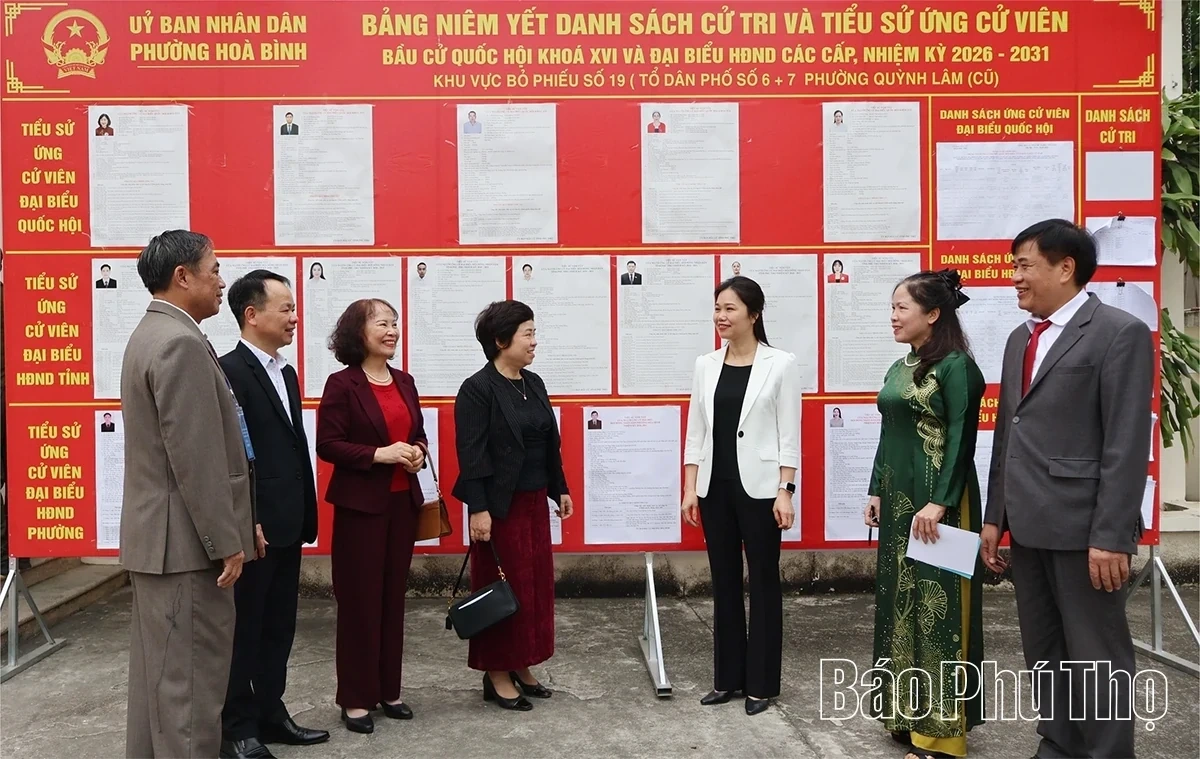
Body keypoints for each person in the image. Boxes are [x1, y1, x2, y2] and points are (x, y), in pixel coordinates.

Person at [981, 219, 1152, 759]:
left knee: (1097, 656)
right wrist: (994, 517)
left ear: (1065, 267)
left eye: (1024, 265)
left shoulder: (1117, 333)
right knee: (1045, 650)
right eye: (1014, 266)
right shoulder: (1019, 339)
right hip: (1028, 526)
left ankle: (1106, 752)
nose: (1015, 278)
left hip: (1085, 531)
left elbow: (1126, 445)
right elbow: (1009, 431)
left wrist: (1110, 536)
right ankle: (1059, 744)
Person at [119, 230, 260, 758]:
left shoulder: (153, 332)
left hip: (162, 544)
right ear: (183, 276)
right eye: (214, 269)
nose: (222, 281)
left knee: (160, 689)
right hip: (186, 550)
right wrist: (226, 541)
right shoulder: (178, 342)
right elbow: (195, 460)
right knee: (191, 698)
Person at [863, 270, 986, 759]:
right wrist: (875, 490)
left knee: (939, 611)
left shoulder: (958, 368)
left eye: (902, 308)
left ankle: (941, 733)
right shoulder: (900, 367)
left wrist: (941, 500)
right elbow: (889, 431)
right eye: (892, 307)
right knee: (900, 602)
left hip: (941, 506)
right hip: (898, 505)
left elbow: (962, 439)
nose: (893, 316)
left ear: (932, 314)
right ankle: (903, 712)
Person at [219, 271, 327, 758]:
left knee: (279, 625)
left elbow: (291, 445)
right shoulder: (228, 371)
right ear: (251, 314)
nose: (294, 317)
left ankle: (271, 711)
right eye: (284, 308)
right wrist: (247, 518)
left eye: (293, 308)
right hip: (254, 525)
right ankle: (237, 726)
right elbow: (232, 456)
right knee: (245, 627)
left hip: (288, 519)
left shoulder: (285, 371)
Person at [681, 276, 801, 716]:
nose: (721, 317)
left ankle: (762, 684)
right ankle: (727, 679)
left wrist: (785, 491)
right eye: (717, 308)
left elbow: (789, 435)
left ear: (754, 314)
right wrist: (690, 487)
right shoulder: (705, 364)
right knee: (724, 582)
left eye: (730, 309)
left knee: (764, 583)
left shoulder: (780, 364)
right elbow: (697, 430)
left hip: (762, 491)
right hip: (715, 489)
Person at [452, 300, 573, 712]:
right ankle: (497, 672)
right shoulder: (478, 388)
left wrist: (560, 489)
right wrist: (478, 509)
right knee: (501, 589)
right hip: (499, 508)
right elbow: (471, 454)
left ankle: (520, 663)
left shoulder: (533, 382)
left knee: (533, 589)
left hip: (534, 503)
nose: (535, 342)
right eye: (528, 334)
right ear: (501, 341)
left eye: (534, 333)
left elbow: (548, 443)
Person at [316, 299, 429, 735]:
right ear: (357, 332)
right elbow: (328, 444)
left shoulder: (404, 381)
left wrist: (418, 452)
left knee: (391, 599)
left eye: (395, 323)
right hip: (361, 509)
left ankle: (389, 690)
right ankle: (356, 698)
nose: (392, 331)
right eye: (382, 323)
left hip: (402, 506)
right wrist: (378, 454)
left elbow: (415, 432)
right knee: (360, 602)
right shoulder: (342, 384)